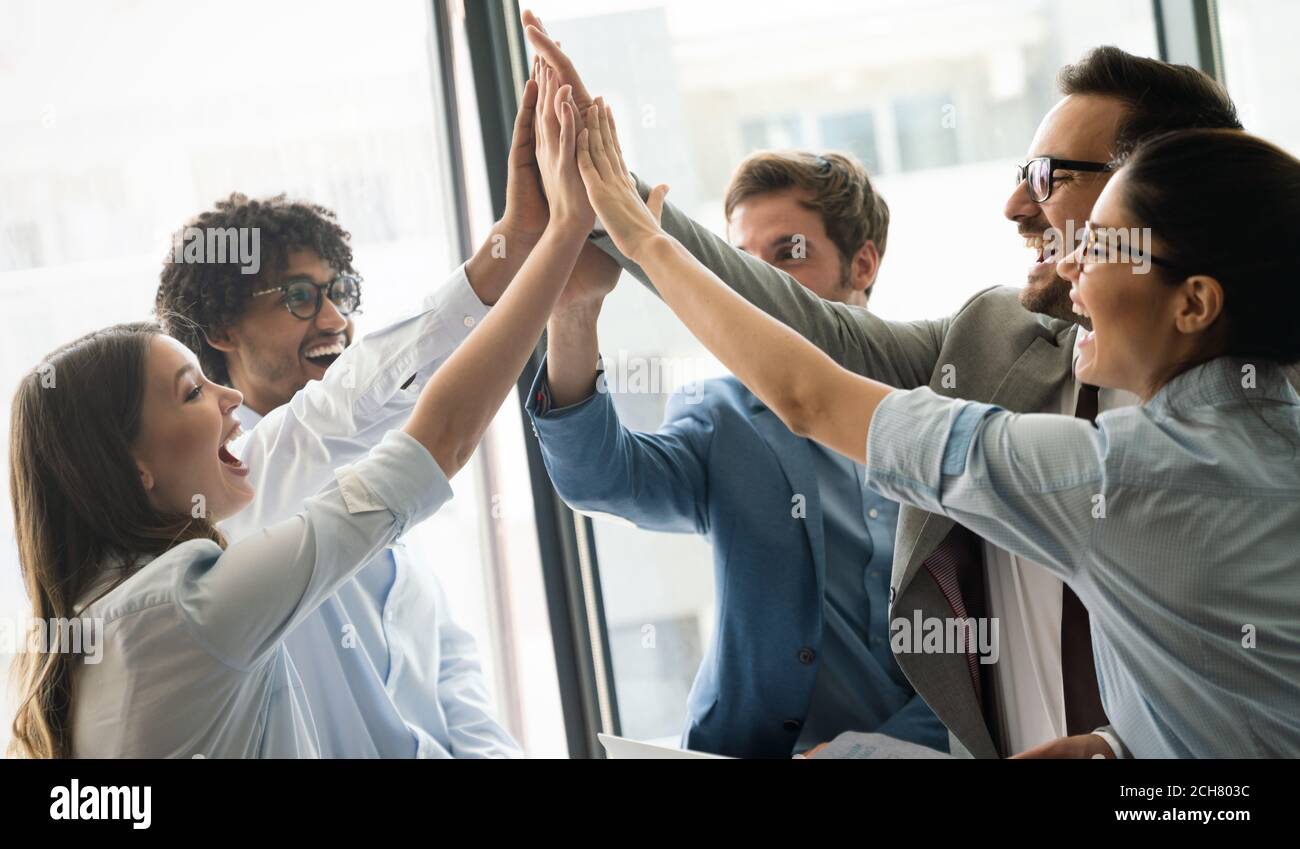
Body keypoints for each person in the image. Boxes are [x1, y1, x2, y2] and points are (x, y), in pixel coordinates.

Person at [524, 12, 1249, 757]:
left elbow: (813, 394)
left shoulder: (1234, 440)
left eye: (1046, 176)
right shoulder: (986, 342)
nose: (1014, 206)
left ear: (1155, 190)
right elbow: (792, 344)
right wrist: (599, 186)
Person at [7, 66, 593, 758]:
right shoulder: (190, 597)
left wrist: (516, 242)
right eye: (192, 391)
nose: (336, 318)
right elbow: (423, 431)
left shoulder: (121, 604)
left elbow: (342, 415)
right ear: (132, 467)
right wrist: (556, 241)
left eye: (339, 290)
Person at [528, 150, 946, 756]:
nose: (754, 285)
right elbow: (600, 479)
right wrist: (574, 310)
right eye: (740, 262)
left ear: (862, 264)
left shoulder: (942, 417)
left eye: (787, 255)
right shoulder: (722, 416)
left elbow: (988, 655)